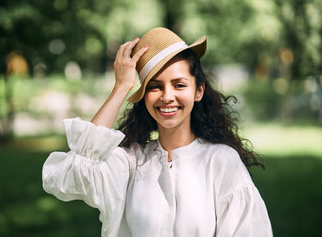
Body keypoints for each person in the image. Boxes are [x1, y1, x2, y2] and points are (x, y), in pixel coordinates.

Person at [42, 27, 272, 237]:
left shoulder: (220, 161)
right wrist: (121, 87)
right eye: (155, 86)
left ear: (199, 91)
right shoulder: (131, 163)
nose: (167, 96)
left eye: (179, 84)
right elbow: (74, 172)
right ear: (143, 97)